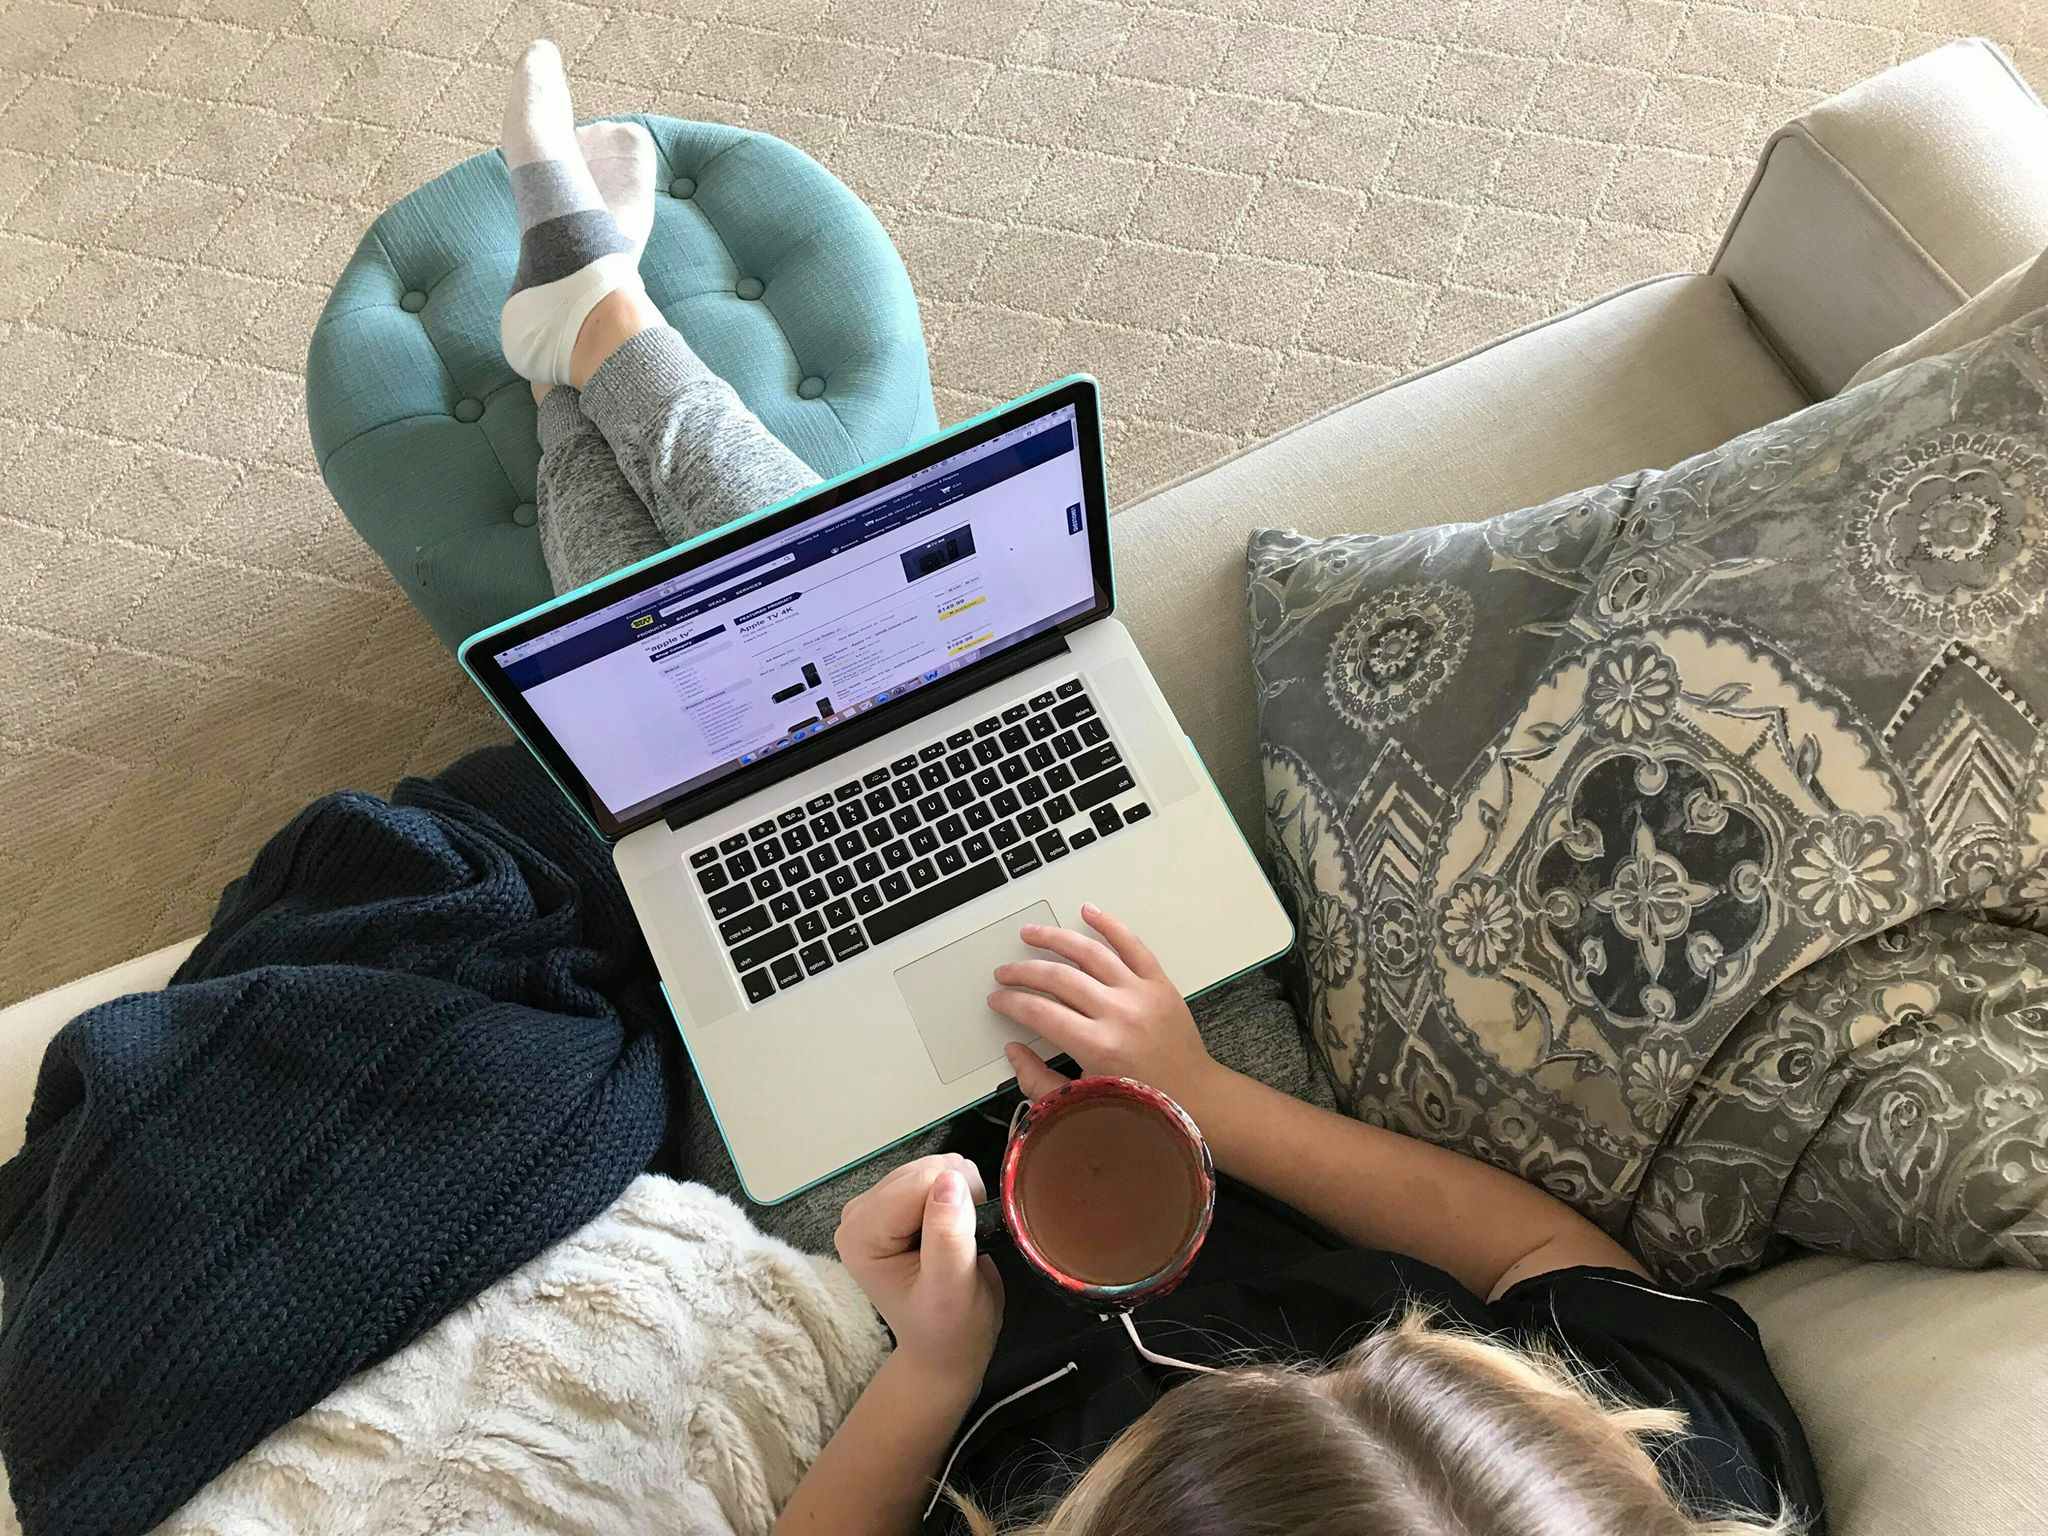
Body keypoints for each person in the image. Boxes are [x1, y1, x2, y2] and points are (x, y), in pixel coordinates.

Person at [494, 43, 1824, 1536]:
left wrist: (931, 1369)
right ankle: (588, 329)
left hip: (930, 1270)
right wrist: (1209, 1100)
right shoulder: (1690, 1487)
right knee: (928, 685)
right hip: (1224, 1120)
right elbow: (1539, 1267)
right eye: (1361, 1367)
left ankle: (586, 334)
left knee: (706, 766)